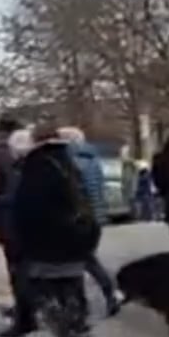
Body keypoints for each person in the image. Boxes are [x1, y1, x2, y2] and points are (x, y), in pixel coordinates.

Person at [12, 125, 101, 337]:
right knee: (70, 289)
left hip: (47, 242)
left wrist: (22, 241)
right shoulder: (69, 163)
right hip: (76, 238)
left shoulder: (35, 169)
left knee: (43, 291)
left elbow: (27, 210)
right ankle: (74, 330)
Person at [0, 115, 39, 337]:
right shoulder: (32, 154)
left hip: (10, 221)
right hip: (30, 220)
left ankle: (24, 318)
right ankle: (29, 312)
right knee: (28, 268)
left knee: (18, 271)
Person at [58, 127, 122, 317]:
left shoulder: (73, 163)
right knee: (87, 260)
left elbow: (76, 193)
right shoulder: (92, 159)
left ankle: (93, 301)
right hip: (94, 218)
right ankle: (108, 295)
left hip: (81, 219)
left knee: (82, 262)